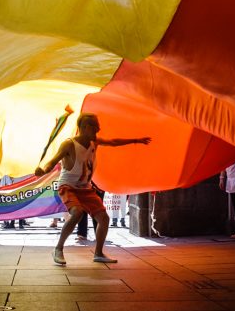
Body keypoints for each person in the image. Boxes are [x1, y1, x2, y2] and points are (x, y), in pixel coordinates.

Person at [34, 113, 150, 265]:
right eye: (95, 127)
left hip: (85, 188)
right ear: (84, 127)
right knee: (77, 213)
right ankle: (58, 249)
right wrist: (43, 170)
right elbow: (53, 161)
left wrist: (136, 140)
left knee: (104, 218)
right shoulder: (69, 144)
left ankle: (98, 253)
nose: (98, 129)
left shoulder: (94, 142)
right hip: (68, 187)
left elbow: (113, 142)